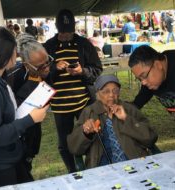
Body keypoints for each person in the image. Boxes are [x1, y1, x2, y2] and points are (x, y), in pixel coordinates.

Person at [0, 27, 49, 188]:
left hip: (7, 161)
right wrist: (30, 119)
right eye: (15, 50)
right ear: (5, 55)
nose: (17, 54)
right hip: (0, 168)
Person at [44, 9, 102, 173]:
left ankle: (93, 168)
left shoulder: (84, 44)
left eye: (69, 32)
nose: (66, 36)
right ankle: (73, 172)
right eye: (63, 33)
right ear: (57, 29)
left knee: (92, 136)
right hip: (60, 106)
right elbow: (42, 76)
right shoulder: (48, 46)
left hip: (84, 102)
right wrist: (54, 68)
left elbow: (97, 69)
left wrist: (82, 71)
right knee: (64, 144)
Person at [67, 75, 158, 168]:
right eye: (106, 91)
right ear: (97, 93)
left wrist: (126, 119)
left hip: (135, 164)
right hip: (103, 169)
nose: (111, 95)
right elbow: (74, 148)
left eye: (115, 91)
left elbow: (150, 138)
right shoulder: (89, 112)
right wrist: (85, 132)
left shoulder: (129, 109)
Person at [6, 33, 53, 181]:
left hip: (32, 135)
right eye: (40, 66)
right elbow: (13, 110)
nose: (46, 68)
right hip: (17, 139)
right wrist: (32, 84)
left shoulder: (48, 71)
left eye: (48, 62)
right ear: (26, 64)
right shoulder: (13, 77)